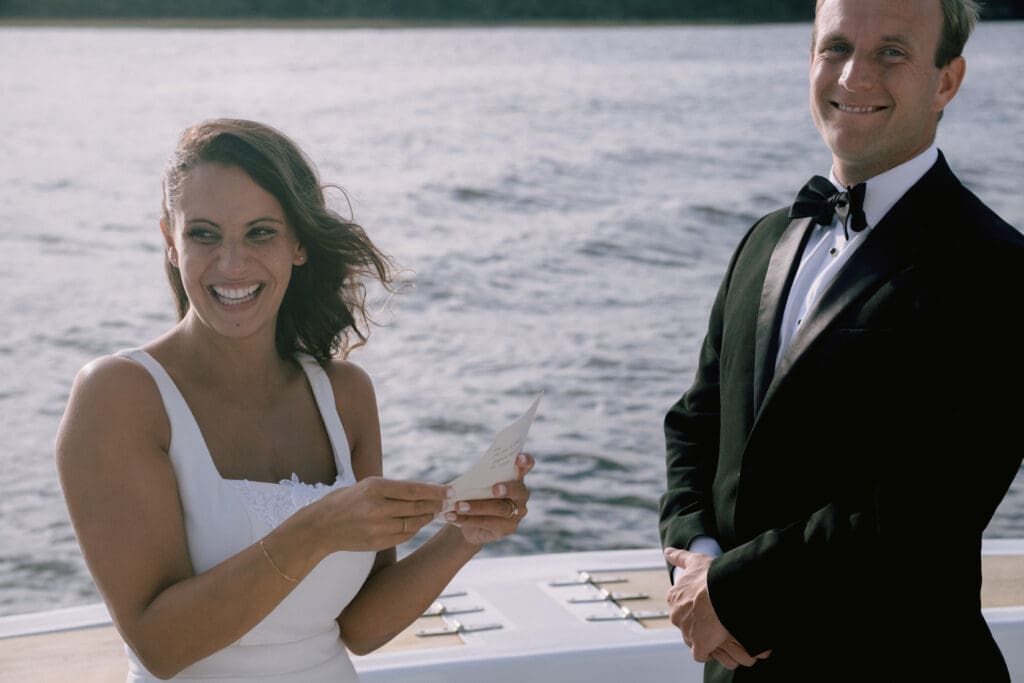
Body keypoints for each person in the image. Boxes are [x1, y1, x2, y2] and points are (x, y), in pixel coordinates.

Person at [56, 118, 534, 682]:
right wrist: (316, 530)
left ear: (299, 243)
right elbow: (160, 645)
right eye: (204, 234)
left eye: (260, 232)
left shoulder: (345, 397)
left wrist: (463, 536)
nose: (232, 264)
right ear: (169, 239)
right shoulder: (120, 396)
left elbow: (359, 627)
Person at [658, 1, 1023, 680]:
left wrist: (733, 593)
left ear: (947, 80)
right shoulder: (763, 241)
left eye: (892, 52)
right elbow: (694, 424)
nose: (854, 76)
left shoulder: (998, 271)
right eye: (835, 48)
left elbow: (924, 511)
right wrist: (697, 558)